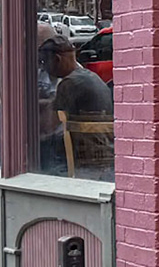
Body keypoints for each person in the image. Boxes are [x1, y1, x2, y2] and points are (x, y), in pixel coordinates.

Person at [40, 24, 113, 175]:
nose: (44, 69)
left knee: (42, 144)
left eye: (44, 62)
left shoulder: (69, 83)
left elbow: (49, 125)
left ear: (57, 59)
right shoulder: (88, 76)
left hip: (85, 155)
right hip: (102, 151)